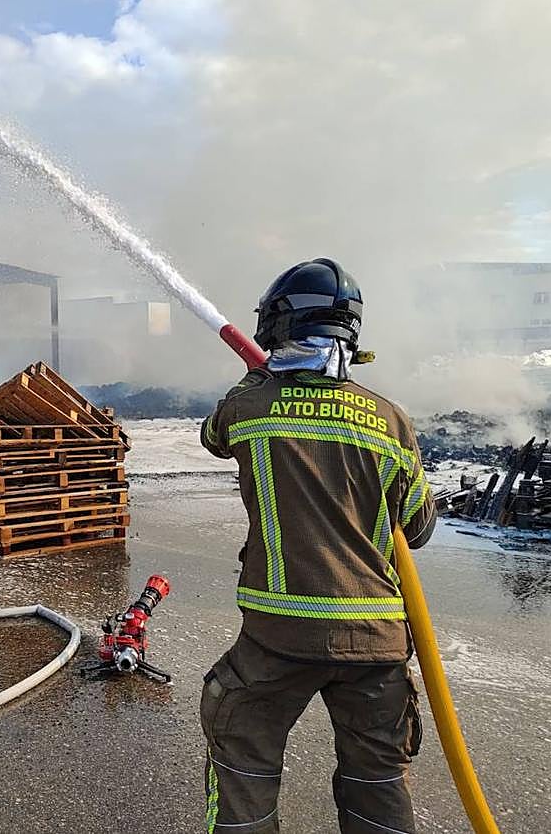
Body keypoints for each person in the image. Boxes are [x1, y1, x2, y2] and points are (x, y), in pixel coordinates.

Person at [199, 258, 437, 833]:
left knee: (243, 763)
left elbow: (212, 437)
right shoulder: (393, 420)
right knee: (378, 781)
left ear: (277, 329)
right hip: (377, 638)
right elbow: (420, 527)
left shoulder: (250, 407)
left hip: (277, 637)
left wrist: (257, 381)